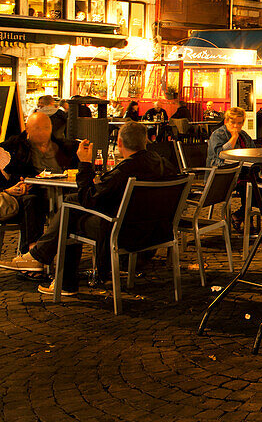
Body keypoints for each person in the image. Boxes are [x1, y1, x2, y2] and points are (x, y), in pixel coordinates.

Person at [0, 122, 175, 295]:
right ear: (145, 141)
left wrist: (84, 163)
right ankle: (41, 258)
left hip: (124, 232)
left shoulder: (125, 170)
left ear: (119, 143)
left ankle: (59, 278)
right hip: (156, 230)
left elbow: (88, 199)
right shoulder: (163, 164)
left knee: (69, 214)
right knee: (71, 203)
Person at [0, 112, 80, 252]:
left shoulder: (59, 146)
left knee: (70, 203)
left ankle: (64, 262)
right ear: (27, 128)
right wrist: (10, 189)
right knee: (32, 201)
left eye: (46, 128)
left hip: (52, 193)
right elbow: (8, 178)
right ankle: (32, 252)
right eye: (37, 128)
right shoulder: (12, 147)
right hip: (22, 198)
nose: (42, 132)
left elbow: (71, 150)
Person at [206, 107, 254, 229]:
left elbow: (252, 151)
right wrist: (233, 137)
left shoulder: (244, 136)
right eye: (232, 122)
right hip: (222, 175)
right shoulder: (218, 134)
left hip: (241, 173)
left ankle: (239, 215)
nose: (236, 126)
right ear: (226, 121)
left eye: (239, 123)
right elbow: (220, 154)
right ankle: (246, 218)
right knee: (249, 186)